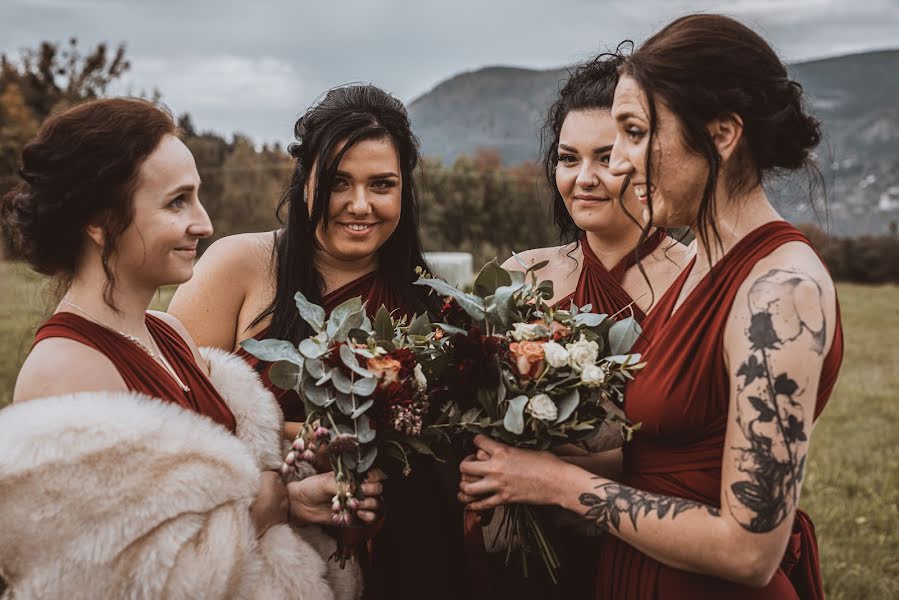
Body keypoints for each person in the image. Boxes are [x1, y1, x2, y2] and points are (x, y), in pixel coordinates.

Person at [459, 14, 842, 599]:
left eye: (635, 134)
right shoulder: (706, 264)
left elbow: (749, 551)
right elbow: (661, 462)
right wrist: (519, 472)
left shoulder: (782, 292)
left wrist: (562, 486)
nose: (620, 165)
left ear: (721, 135)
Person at [0, 97, 376, 598]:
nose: (204, 223)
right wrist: (262, 508)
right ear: (99, 220)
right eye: (177, 202)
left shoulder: (168, 333)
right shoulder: (67, 374)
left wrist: (290, 492)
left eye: (197, 198)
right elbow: (106, 580)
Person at [168, 84, 470, 600]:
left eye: (382, 185)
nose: (360, 205)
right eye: (337, 182)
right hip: (265, 556)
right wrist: (290, 476)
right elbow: (169, 419)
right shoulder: (238, 266)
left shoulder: (434, 306)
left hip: (409, 552)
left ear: (405, 191)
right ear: (304, 181)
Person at [471, 53, 691, 600]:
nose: (584, 179)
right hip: (525, 552)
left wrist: (576, 465)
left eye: (606, 158)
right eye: (568, 158)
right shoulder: (520, 277)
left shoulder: (696, 282)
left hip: (653, 546)